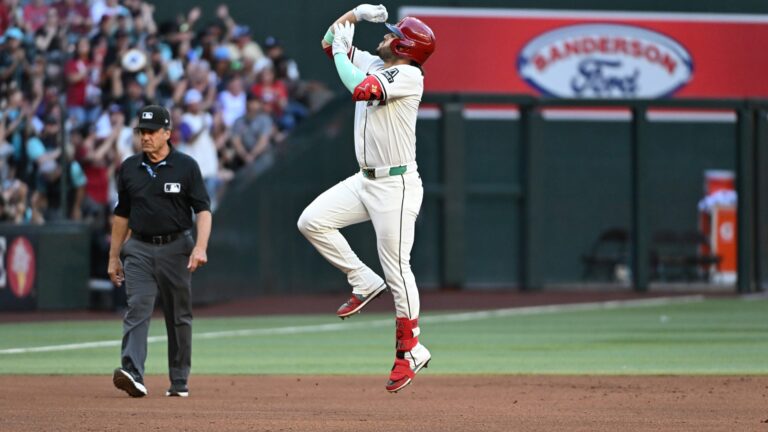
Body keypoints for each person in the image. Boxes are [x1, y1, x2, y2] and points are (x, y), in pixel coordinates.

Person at [297, 4, 436, 393]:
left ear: (406, 47)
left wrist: (343, 52)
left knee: (397, 268)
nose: (387, 35)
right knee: (312, 221)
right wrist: (353, 15)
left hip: (397, 185)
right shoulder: (378, 62)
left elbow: (359, 88)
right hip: (366, 180)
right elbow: (329, 43)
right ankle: (360, 279)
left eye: (394, 34)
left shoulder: (408, 75)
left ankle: (410, 350)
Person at [108, 105, 211, 398]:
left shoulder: (186, 166)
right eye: (142, 131)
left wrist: (200, 247)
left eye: (152, 131)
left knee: (178, 315)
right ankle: (133, 372)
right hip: (138, 247)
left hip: (177, 247)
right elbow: (122, 215)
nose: (145, 137)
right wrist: (114, 256)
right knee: (138, 306)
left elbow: (203, 209)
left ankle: (179, 380)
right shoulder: (129, 168)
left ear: (167, 133)